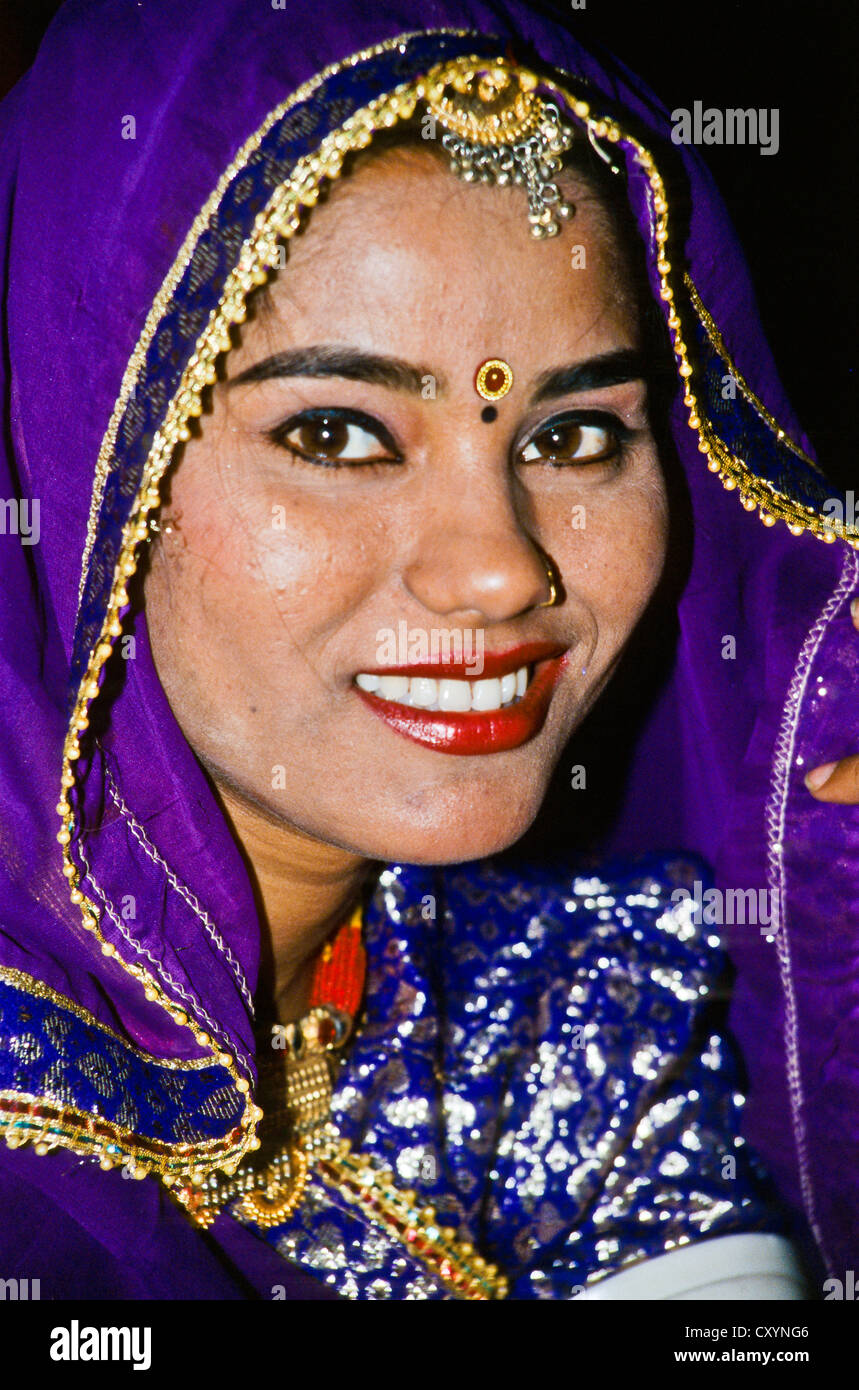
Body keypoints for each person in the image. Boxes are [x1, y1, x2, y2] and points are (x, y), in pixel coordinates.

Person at [0, 0, 853, 1300]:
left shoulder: (566, 1005)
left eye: (574, 439)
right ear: (84, 464)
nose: (502, 566)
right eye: (338, 434)